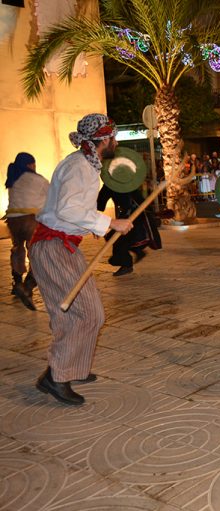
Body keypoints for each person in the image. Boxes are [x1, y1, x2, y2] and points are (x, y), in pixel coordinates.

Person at [29, 114, 133, 406]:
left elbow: (72, 211)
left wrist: (94, 226)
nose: (116, 141)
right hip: (52, 246)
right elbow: (67, 209)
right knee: (86, 313)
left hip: (62, 245)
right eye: (113, 136)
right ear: (103, 139)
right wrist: (110, 223)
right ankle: (56, 376)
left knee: (77, 314)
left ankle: (71, 367)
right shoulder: (79, 167)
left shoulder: (85, 164)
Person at [4, 152, 49, 310]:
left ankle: (16, 283)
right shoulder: (38, 179)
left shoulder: (12, 179)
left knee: (17, 249)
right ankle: (27, 287)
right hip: (31, 219)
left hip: (12, 220)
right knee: (37, 253)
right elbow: (50, 199)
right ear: (30, 164)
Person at [96, 186, 162, 275]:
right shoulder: (111, 185)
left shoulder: (128, 183)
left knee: (119, 239)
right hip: (129, 216)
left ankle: (127, 264)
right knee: (118, 238)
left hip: (136, 215)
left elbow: (100, 204)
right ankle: (136, 253)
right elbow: (100, 203)